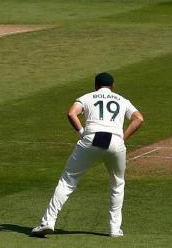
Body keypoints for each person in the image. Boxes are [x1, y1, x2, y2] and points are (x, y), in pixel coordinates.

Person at [31, 72, 145, 238]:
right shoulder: (122, 100)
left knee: (67, 181)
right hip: (116, 141)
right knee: (117, 184)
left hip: (92, 138)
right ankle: (114, 229)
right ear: (113, 86)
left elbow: (71, 113)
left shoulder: (87, 97)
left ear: (95, 85)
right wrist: (122, 138)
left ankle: (48, 222)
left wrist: (82, 132)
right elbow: (139, 119)